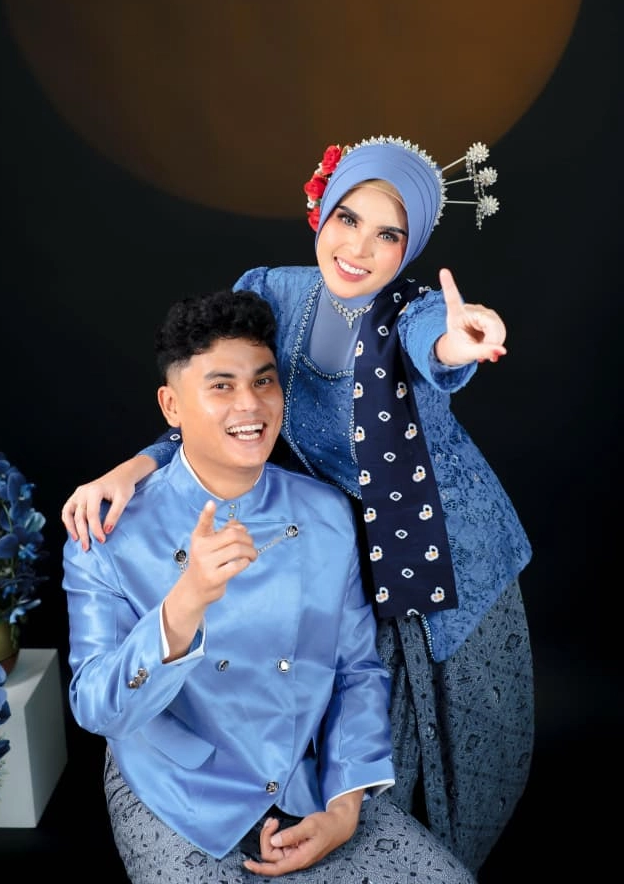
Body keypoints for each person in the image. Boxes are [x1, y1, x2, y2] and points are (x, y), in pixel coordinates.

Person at [62, 135, 533, 876]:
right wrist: (137, 464)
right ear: (322, 210)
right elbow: (213, 383)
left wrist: (456, 341)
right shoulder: (272, 291)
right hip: (339, 535)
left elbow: (432, 343)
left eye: (389, 235)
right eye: (348, 218)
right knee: (356, 701)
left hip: (442, 546)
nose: (359, 249)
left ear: (410, 251)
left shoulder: (412, 313)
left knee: (457, 740)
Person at [62, 287, 478, 884]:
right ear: (171, 406)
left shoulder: (326, 513)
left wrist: (344, 805)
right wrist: (184, 604)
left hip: (306, 780)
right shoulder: (107, 531)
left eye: (263, 381)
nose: (250, 405)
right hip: (179, 792)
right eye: (221, 386)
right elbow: (96, 707)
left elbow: (356, 670)